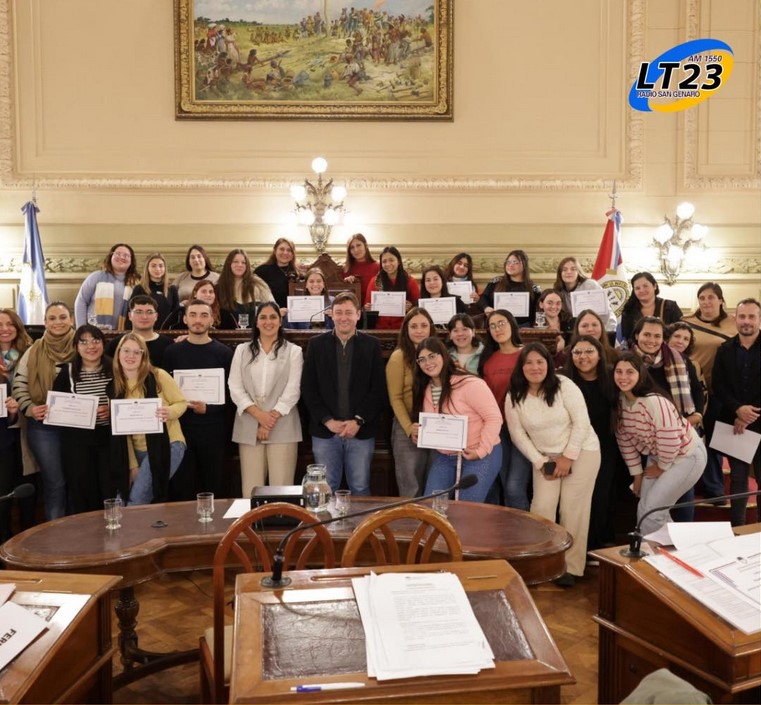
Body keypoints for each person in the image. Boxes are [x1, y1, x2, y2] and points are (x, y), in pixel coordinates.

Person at [505, 343, 600, 586]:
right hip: (544, 457)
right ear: (521, 367)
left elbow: (581, 422)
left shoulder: (564, 385)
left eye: (540, 361)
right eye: (528, 362)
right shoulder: (514, 394)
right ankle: (541, 563)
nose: (535, 367)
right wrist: (540, 462)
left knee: (572, 509)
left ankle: (570, 567)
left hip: (581, 451)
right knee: (542, 508)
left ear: (548, 363)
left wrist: (568, 457)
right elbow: (517, 435)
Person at [301, 292, 386, 495]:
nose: (343, 317)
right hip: (325, 431)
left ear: (358, 314)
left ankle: (361, 521)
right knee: (326, 487)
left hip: (360, 430)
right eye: (339, 312)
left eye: (349, 312)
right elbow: (308, 388)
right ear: (331, 314)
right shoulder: (316, 344)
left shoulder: (372, 345)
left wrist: (358, 421)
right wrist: (327, 420)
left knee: (360, 486)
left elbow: (378, 389)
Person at [613, 352, 706, 535]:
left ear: (640, 374)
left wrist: (662, 467)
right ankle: (664, 547)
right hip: (658, 455)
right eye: (619, 371)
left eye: (630, 372)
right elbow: (625, 442)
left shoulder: (655, 401)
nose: (623, 377)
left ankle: (656, 550)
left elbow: (670, 440)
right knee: (646, 509)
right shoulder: (620, 402)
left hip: (686, 456)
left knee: (652, 511)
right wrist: (637, 476)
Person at [413, 337, 502, 503]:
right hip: (446, 456)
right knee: (432, 503)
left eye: (432, 356)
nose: (427, 363)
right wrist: (418, 432)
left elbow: (494, 418)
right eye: (422, 359)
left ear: (443, 355)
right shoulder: (425, 389)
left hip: (480, 453)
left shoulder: (470, 384)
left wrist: (481, 451)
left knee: (467, 506)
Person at [228, 302, 304, 496]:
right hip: (249, 423)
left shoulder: (294, 351)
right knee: (251, 489)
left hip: (283, 423)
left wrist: (268, 420)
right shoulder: (242, 350)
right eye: (263, 317)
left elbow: (293, 390)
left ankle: (282, 519)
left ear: (280, 321)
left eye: (273, 317)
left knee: (282, 488)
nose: (268, 322)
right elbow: (235, 386)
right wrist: (258, 415)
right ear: (256, 322)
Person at [162, 299, 233, 499]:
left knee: (213, 484)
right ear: (185, 319)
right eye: (192, 315)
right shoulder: (172, 352)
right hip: (181, 430)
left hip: (213, 430)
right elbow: (164, 392)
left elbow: (231, 393)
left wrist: (209, 408)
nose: (198, 320)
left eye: (203, 315)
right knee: (182, 488)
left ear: (212, 319)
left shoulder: (224, 353)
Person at [563, 335, 627, 550]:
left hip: (606, 444)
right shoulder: (564, 380)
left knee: (602, 493)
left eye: (589, 351)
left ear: (599, 354)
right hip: (572, 445)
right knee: (578, 496)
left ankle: (598, 543)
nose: (583, 356)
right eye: (577, 352)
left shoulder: (612, 377)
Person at [107, 333, 187, 505]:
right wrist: (132, 465)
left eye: (137, 352)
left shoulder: (158, 375)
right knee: (122, 499)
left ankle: (127, 525)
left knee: (136, 500)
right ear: (118, 353)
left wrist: (169, 412)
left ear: (144, 355)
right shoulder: (115, 386)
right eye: (126, 351)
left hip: (168, 444)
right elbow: (121, 432)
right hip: (136, 450)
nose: (131, 356)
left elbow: (181, 403)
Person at [12, 301, 75, 519]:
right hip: (44, 429)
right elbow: (19, 386)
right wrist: (31, 409)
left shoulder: (84, 346)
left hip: (78, 427)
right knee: (55, 483)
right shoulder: (33, 351)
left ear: (71, 320)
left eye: (63, 317)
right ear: (45, 322)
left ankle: (78, 533)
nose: (58, 322)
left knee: (77, 482)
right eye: (52, 318)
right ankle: (56, 534)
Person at [681, 282, 737, 499]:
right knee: (692, 438)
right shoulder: (686, 322)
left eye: (711, 297)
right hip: (691, 389)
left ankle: (714, 488)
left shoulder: (733, 323)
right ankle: (692, 485)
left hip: (719, 390)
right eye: (702, 298)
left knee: (714, 438)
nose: (706, 302)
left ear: (721, 300)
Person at [52, 325, 113, 514]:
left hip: (109, 441)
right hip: (77, 443)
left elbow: (129, 399)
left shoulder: (116, 368)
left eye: (95, 341)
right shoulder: (67, 372)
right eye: (84, 342)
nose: (90, 346)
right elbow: (58, 408)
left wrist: (112, 410)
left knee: (108, 488)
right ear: (76, 347)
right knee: (82, 491)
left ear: (103, 344)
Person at [712, 299, 761, 526]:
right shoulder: (724, 349)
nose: (746, 321)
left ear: (759, 319)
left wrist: (750, 414)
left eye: (752, 316)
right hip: (734, 423)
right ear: (735, 319)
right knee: (738, 480)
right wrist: (738, 410)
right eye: (742, 316)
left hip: (758, 421)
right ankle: (738, 530)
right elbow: (718, 385)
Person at [478, 309, 532, 509]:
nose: (497, 329)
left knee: (514, 487)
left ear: (512, 325)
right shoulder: (488, 359)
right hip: (498, 430)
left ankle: (523, 527)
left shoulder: (526, 354)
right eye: (492, 326)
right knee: (501, 483)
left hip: (523, 428)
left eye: (501, 323)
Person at [386, 307, 434, 496]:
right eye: (413, 326)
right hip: (407, 426)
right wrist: (409, 428)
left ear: (431, 327)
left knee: (435, 487)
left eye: (423, 325)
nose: (419, 330)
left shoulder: (439, 354)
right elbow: (395, 398)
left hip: (435, 427)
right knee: (410, 489)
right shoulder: (398, 357)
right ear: (406, 329)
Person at [0, 308, 33, 541]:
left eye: (10, 324)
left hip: (27, 428)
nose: (5, 329)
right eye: (0, 324)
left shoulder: (29, 353)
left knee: (27, 483)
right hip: (3, 433)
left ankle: (28, 538)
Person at [74, 243, 139, 329]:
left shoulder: (138, 283)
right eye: (118, 254)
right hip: (94, 331)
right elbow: (81, 301)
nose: (121, 257)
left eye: (126, 255)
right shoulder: (96, 277)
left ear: (131, 261)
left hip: (126, 332)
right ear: (110, 257)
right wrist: (81, 329)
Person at [106, 295, 174, 368]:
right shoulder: (116, 344)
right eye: (138, 312)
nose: (144, 317)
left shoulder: (168, 344)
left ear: (156, 316)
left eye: (149, 312)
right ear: (130, 316)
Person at [478, 250, 541, 327]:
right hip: (498, 325)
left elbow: (538, 310)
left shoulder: (533, 288)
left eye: (515, 262)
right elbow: (483, 298)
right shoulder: (496, 282)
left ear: (524, 265)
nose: (511, 265)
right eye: (508, 262)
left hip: (524, 327)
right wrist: (486, 307)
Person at [553, 256, 616, 332]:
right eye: (564, 270)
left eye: (573, 269)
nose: (569, 272)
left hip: (605, 326)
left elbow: (605, 312)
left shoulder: (590, 285)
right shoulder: (559, 291)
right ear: (560, 273)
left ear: (578, 272)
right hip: (581, 329)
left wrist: (600, 331)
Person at [364, 246, 420, 330]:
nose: (387, 264)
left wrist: (410, 307)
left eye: (391, 260)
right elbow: (367, 305)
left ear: (398, 261)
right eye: (384, 261)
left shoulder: (410, 281)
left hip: (404, 328)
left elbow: (418, 307)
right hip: (379, 329)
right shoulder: (374, 281)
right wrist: (367, 307)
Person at [217, 248, 274, 327]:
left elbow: (272, 306)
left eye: (243, 262)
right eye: (235, 261)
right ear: (229, 264)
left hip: (253, 331)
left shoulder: (257, 284)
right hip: (225, 332)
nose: (240, 265)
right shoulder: (220, 286)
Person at [621, 271, 682, 343]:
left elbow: (681, 332)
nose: (641, 290)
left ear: (654, 286)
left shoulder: (670, 307)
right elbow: (627, 337)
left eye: (645, 286)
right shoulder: (629, 310)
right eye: (637, 288)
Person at [162, 280, 237, 330]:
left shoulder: (225, 314)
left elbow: (235, 335)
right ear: (195, 294)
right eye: (204, 291)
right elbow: (165, 331)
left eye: (211, 292)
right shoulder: (180, 312)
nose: (208, 295)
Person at [130, 253, 179, 328]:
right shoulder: (139, 289)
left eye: (161, 266)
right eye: (153, 266)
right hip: (143, 331)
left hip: (166, 332)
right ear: (147, 268)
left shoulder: (172, 289)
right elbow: (131, 314)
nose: (158, 269)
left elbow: (176, 315)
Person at [254, 238, 302, 311]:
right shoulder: (261, 272)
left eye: (289, 250)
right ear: (275, 251)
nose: (285, 253)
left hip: (296, 314)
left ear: (293, 254)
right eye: (281, 249)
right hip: (271, 314)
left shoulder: (299, 273)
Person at [341, 233, 379, 307]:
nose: (356, 250)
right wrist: (346, 283)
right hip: (351, 309)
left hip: (373, 309)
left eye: (358, 245)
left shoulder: (378, 267)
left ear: (365, 245)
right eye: (352, 247)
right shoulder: (344, 269)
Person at [537, 289, 572, 355]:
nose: (554, 307)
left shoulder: (570, 322)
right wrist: (556, 349)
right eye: (549, 303)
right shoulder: (535, 326)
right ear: (541, 304)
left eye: (558, 303)